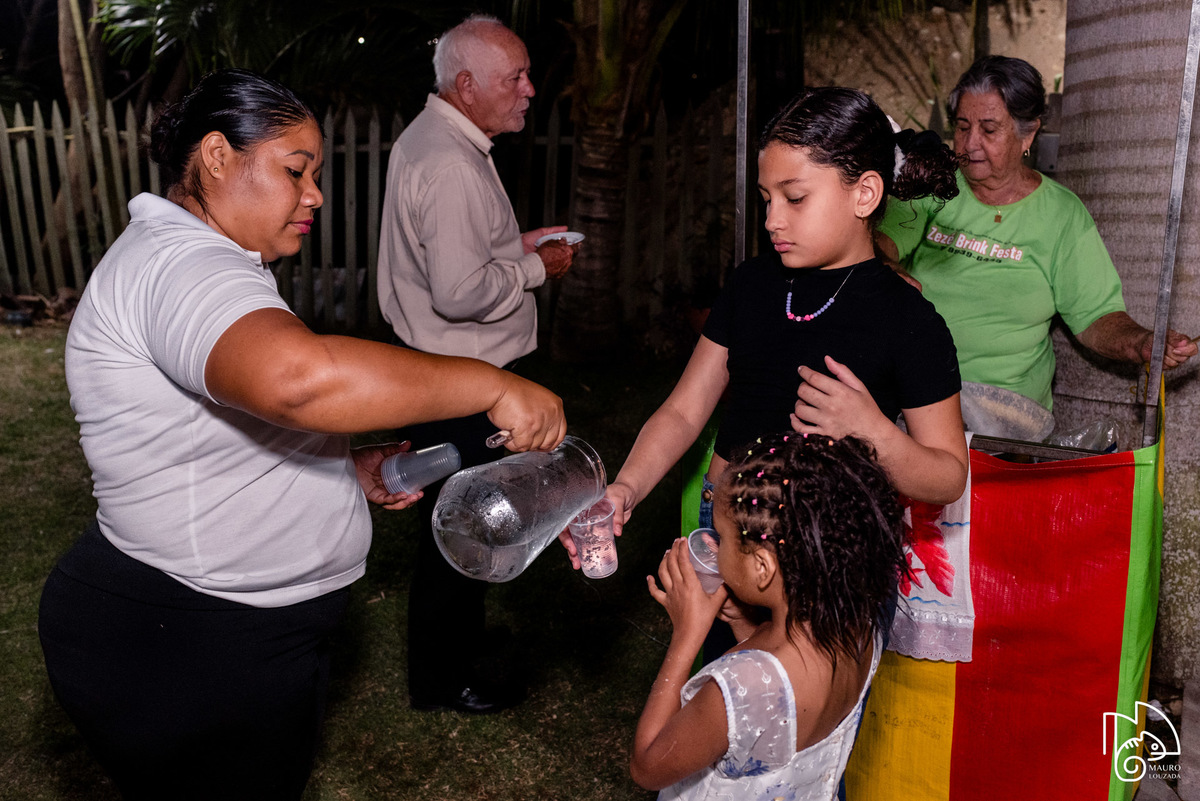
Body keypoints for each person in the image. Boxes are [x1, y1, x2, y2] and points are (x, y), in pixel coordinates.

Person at [37, 68, 565, 801]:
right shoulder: (183, 265)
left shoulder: (203, 261)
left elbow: (200, 434)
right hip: (186, 639)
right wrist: (495, 385)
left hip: (219, 633)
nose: (314, 193)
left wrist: (340, 470)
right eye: (295, 170)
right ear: (218, 157)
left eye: (315, 173)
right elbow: (298, 380)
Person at [570, 87, 968, 578]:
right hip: (725, 530)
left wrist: (874, 433)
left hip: (833, 550)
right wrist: (626, 488)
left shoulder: (908, 319)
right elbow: (683, 409)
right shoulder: (752, 284)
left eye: (795, 198)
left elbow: (949, 475)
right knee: (722, 656)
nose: (772, 220)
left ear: (864, 193)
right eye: (766, 199)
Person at [376, 13, 577, 715]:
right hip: (462, 383)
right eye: (514, 77)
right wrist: (537, 268)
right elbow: (459, 293)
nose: (529, 89)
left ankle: (457, 651)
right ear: (466, 84)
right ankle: (441, 680)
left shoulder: (438, 137)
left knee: (459, 523)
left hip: (443, 373)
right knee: (455, 531)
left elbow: (450, 255)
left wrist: (512, 244)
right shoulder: (453, 161)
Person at [876, 55, 1196, 431]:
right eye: (962, 127)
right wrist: (885, 271)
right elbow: (880, 245)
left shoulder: (1061, 215)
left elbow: (1095, 317)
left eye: (989, 129)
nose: (970, 144)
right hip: (916, 394)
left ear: (1028, 135)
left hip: (1006, 413)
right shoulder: (932, 183)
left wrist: (1141, 343)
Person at [630, 433, 907, 799]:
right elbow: (779, 706)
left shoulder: (735, 688)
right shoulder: (859, 628)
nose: (715, 544)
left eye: (723, 538)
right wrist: (742, 623)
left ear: (762, 567)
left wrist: (687, 635)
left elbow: (648, 766)